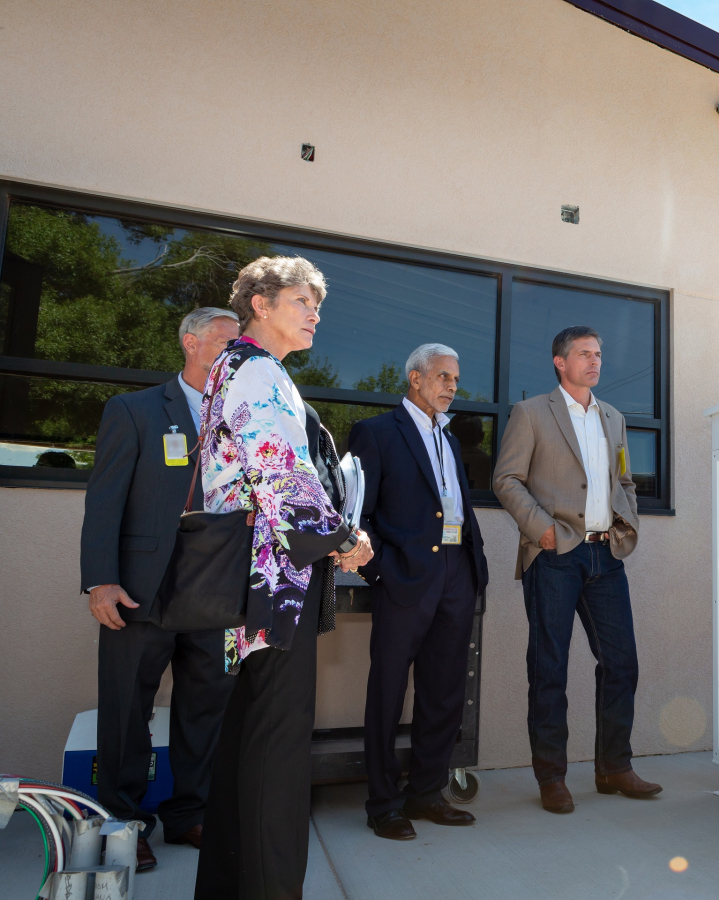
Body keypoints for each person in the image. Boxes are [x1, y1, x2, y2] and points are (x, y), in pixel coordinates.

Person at [193, 256, 373, 900]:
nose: (315, 315)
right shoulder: (259, 371)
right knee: (276, 753)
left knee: (248, 741)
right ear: (261, 304)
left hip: (250, 585)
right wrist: (347, 539)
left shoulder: (231, 368)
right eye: (302, 301)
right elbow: (282, 478)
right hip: (273, 585)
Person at [81, 307, 241, 872]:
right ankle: (124, 824)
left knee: (207, 708)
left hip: (219, 591)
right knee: (127, 710)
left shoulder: (245, 419)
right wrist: (101, 580)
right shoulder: (135, 410)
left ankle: (190, 814)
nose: (235, 355)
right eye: (226, 344)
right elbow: (104, 501)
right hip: (142, 590)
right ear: (191, 344)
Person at [493, 326, 659, 814]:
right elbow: (506, 479)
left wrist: (624, 520)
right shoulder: (530, 414)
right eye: (584, 354)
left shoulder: (613, 417)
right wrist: (542, 529)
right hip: (554, 556)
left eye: (599, 354)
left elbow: (623, 478)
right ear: (559, 362)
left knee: (621, 662)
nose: (595, 361)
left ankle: (613, 767)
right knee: (550, 668)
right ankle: (551, 776)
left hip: (605, 557)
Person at [347, 343, 489, 840]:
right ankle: (383, 803)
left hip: (456, 573)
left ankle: (426, 792)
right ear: (414, 378)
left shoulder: (448, 439)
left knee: (445, 692)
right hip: (404, 578)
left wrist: (469, 567)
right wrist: (382, 570)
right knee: (388, 692)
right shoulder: (377, 433)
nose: (452, 386)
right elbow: (356, 514)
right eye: (443, 377)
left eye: (455, 379)